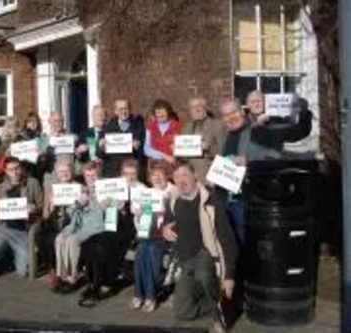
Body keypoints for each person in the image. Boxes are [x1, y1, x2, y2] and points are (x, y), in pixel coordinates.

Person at [219, 99, 312, 243]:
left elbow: (276, 158)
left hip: (251, 201)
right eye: (226, 115)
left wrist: (248, 160)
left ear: (243, 112)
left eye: (234, 112)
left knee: (252, 247)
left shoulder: (259, 130)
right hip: (230, 201)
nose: (230, 117)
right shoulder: (228, 136)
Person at [161, 162, 237, 332]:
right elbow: (167, 223)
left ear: (195, 175)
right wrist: (164, 228)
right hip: (185, 261)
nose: (181, 180)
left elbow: (228, 241)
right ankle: (214, 304)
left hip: (206, 254)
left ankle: (218, 313)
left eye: (185, 175)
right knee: (182, 311)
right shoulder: (173, 201)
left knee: (203, 273)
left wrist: (229, 276)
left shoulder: (211, 201)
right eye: (177, 177)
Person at [78, 158, 142, 307]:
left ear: (138, 174)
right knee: (90, 243)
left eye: (133, 174)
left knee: (104, 246)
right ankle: (93, 282)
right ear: (121, 174)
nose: (129, 177)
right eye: (126, 173)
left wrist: (128, 211)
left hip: (129, 227)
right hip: (111, 224)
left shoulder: (141, 188)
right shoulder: (114, 185)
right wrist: (105, 204)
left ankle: (107, 282)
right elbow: (103, 208)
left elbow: (145, 212)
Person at [0, 157, 43, 278]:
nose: (15, 172)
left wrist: (34, 208)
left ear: (21, 168)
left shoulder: (33, 183)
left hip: (24, 231)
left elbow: (42, 206)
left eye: (17, 168)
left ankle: (15, 255)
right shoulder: (1, 187)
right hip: (5, 229)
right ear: (5, 171)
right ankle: (9, 254)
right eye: (11, 170)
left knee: (24, 271)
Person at [53, 162, 105, 292]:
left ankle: (73, 277)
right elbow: (70, 213)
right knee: (60, 238)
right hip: (78, 225)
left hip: (96, 226)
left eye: (94, 175)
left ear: (99, 175)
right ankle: (62, 275)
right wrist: (77, 203)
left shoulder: (104, 190)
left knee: (72, 240)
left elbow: (103, 215)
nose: (91, 178)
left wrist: (94, 201)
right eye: (88, 176)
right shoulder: (81, 189)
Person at [131, 164, 177, 312]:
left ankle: (150, 295)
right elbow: (141, 223)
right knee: (140, 251)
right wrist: (139, 215)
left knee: (151, 250)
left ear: (167, 176)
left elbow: (180, 216)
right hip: (148, 233)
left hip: (165, 235)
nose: (156, 178)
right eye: (153, 175)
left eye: (160, 174)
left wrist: (166, 210)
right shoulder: (147, 193)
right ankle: (138, 293)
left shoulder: (174, 192)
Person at [39, 158, 78, 284]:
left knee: (64, 237)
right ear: (56, 173)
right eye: (61, 172)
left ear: (72, 171)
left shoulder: (78, 187)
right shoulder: (52, 190)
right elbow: (46, 215)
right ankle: (54, 269)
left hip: (74, 222)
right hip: (56, 221)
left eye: (67, 171)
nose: (64, 174)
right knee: (45, 237)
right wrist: (52, 206)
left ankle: (70, 271)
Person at [182, 97, 225, 183]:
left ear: (205, 107)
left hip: (210, 177)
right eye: (192, 107)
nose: (196, 109)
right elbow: (184, 158)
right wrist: (177, 150)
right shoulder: (186, 128)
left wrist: (209, 148)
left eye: (199, 106)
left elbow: (224, 152)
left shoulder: (218, 125)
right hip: (192, 178)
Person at [98, 100, 146, 178]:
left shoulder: (138, 127)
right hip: (113, 172)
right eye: (120, 109)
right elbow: (99, 154)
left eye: (126, 109)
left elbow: (143, 151)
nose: (124, 112)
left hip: (131, 172)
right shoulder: (107, 128)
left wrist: (138, 147)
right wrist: (102, 148)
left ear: (130, 110)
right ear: (115, 111)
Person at [144, 99, 181, 176]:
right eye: (157, 112)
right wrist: (164, 156)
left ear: (168, 112)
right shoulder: (150, 127)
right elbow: (146, 149)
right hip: (155, 164)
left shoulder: (178, 126)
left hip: (173, 164)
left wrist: (177, 149)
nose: (160, 115)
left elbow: (184, 145)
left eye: (162, 112)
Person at [40, 112, 78, 189]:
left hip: (68, 177)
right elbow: (39, 161)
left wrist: (79, 151)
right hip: (51, 178)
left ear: (63, 122)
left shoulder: (73, 138)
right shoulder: (43, 140)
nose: (57, 123)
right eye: (55, 121)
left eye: (60, 121)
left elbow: (78, 157)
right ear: (50, 122)